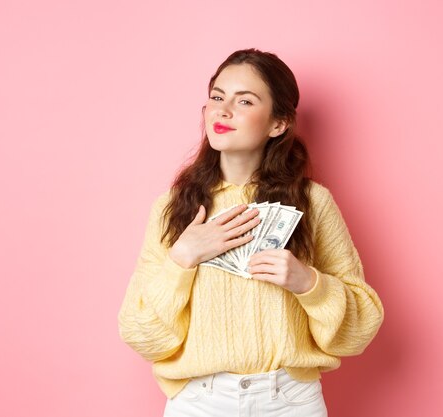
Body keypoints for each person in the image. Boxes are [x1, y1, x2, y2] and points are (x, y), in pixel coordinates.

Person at [118, 48, 384, 417]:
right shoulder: (172, 207)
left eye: (244, 101)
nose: (223, 111)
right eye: (216, 97)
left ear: (279, 124)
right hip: (199, 403)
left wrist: (310, 283)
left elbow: (359, 331)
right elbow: (142, 334)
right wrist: (181, 260)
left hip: (290, 401)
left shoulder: (313, 203)